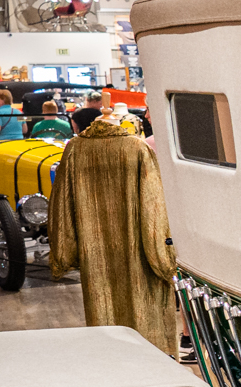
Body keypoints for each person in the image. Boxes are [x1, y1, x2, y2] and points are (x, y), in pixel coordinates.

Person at [48, 108, 178, 356]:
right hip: (138, 251)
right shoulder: (137, 148)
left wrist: (64, 251)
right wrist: (163, 257)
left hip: (94, 252)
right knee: (144, 311)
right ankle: (152, 364)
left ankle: (110, 362)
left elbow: (61, 204)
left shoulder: (75, 149)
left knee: (102, 307)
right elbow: (153, 205)